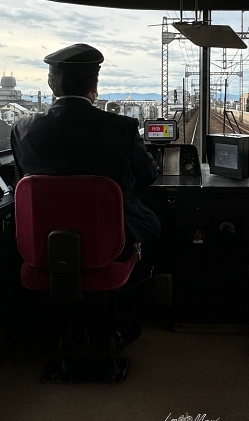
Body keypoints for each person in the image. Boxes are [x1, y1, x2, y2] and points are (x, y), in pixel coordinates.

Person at [10, 43, 161, 267]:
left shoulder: (22, 129)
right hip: (110, 243)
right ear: (94, 84)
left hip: (43, 244)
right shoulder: (122, 128)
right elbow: (147, 177)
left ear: (52, 84)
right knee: (152, 223)